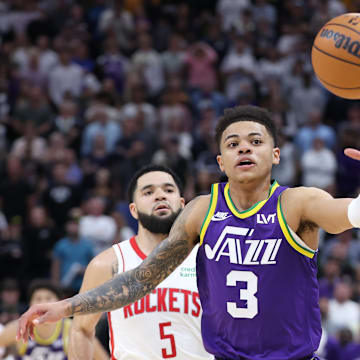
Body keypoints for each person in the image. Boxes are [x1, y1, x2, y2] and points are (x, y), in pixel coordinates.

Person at [17, 105, 360, 359]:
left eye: (255, 141)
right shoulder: (201, 210)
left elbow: (348, 214)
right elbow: (141, 280)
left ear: (275, 155)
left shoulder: (298, 202)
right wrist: (67, 307)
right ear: (221, 161)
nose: (244, 148)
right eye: (233, 143)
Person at [68, 165, 212, 359]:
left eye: (168, 190)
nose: (160, 196)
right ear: (133, 210)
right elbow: (80, 330)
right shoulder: (108, 263)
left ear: (182, 204)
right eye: (148, 192)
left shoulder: (209, 257)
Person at [0, 279, 107, 359]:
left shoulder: (73, 329)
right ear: (30, 305)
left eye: (48, 298)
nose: (43, 303)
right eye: (38, 299)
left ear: (59, 303)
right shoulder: (19, 328)